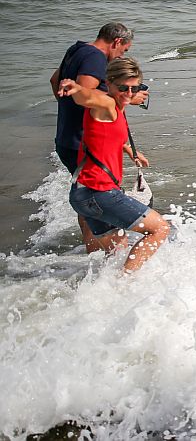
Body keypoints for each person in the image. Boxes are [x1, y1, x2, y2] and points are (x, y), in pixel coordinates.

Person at [58, 58, 170, 272]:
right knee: (160, 229)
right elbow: (89, 97)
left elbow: (107, 135)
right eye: (123, 88)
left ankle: (109, 295)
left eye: (134, 88)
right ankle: (125, 286)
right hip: (101, 193)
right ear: (108, 83)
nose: (128, 93)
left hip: (83, 195)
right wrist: (76, 88)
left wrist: (130, 150)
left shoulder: (117, 107)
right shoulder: (107, 104)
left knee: (118, 256)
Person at [50, 22, 148, 252]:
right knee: (98, 198)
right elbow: (87, 92)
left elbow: (55, 81)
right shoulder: (95, 57)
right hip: (82, 142)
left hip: (68, 135)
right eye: (124, 50)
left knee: (91, 201)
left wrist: (69, 115)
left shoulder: (77, 49)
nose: (122, 55)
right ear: (116, 42)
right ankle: (103, 255)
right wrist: (127, 99)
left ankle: (96, 251)